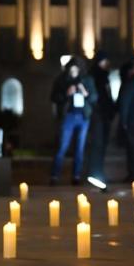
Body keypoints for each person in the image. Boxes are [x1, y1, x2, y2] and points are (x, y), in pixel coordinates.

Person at [50, 57, 97, 185]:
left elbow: (94, 97)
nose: (73, 73)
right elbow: (54, 97)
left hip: (83, 116)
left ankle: (76, 176)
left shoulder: (87, 80)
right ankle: (55, 176)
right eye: (71, 70)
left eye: (76, 70)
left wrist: (86, 93)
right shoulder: (61, 80)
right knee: (62, 146)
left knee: (80, 148)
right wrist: (66, 94)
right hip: (68, 116)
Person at [86, 51, 116, 183]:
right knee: (97, 144)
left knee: (102, 144)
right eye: (105, 61)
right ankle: (95, 173)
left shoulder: (104, 76)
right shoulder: (95, 76)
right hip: (98, 114)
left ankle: (98, 172)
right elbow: (97, 97)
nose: (107, 63)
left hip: (104, 114)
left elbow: (107, 95)